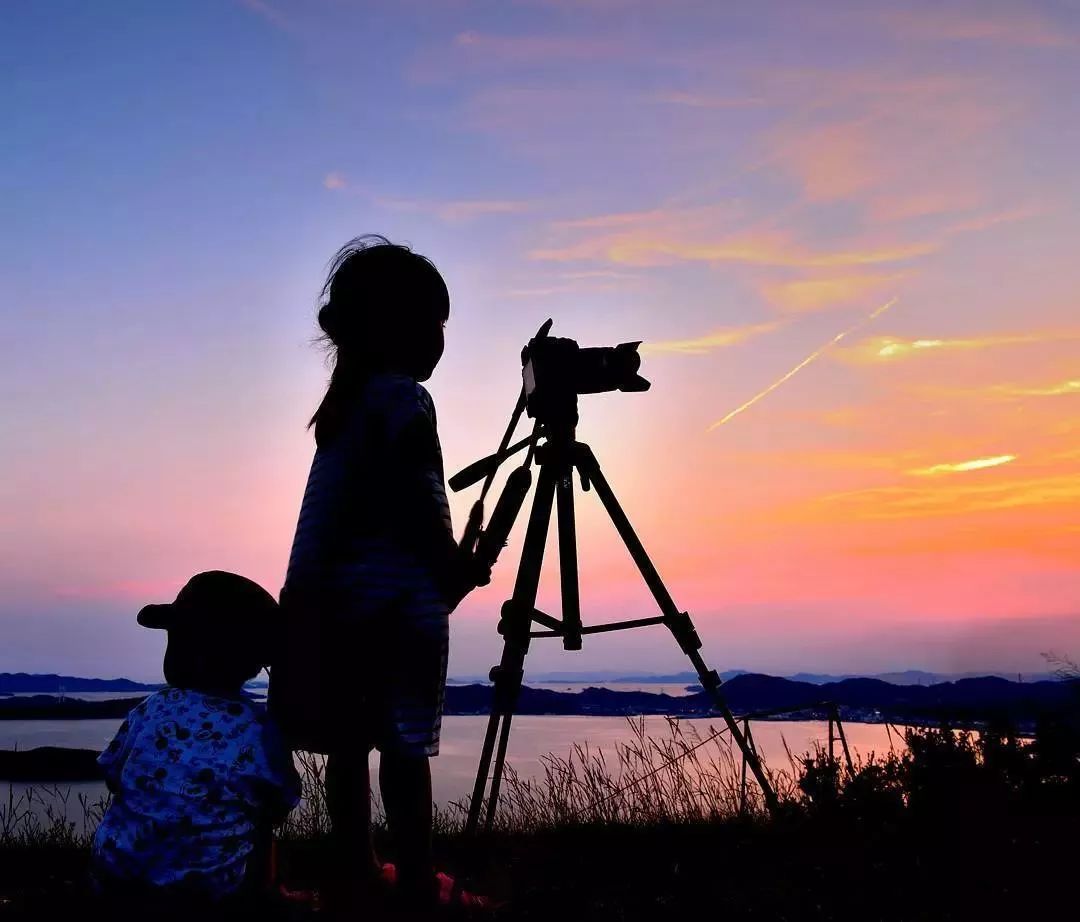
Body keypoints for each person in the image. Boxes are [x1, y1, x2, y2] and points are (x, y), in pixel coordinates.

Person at [277, 235, 492, 911]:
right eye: (435, 323)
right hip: (394, 610)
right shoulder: (403, 399)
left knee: (350, 745)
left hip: (330, 607)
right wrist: (455, 566)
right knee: (404, 747)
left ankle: (358, 870)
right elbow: (414, 500)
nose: (440, 339)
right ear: (395, 327)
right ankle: (421, 882)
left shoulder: (344, 408)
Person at [91, 571, 302, 916]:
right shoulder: (261, 728)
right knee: (261, 816)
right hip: (207, 894)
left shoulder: (152, 708)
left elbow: (113, 775)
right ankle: (267, 891)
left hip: (115, 880)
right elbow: (280, 802)